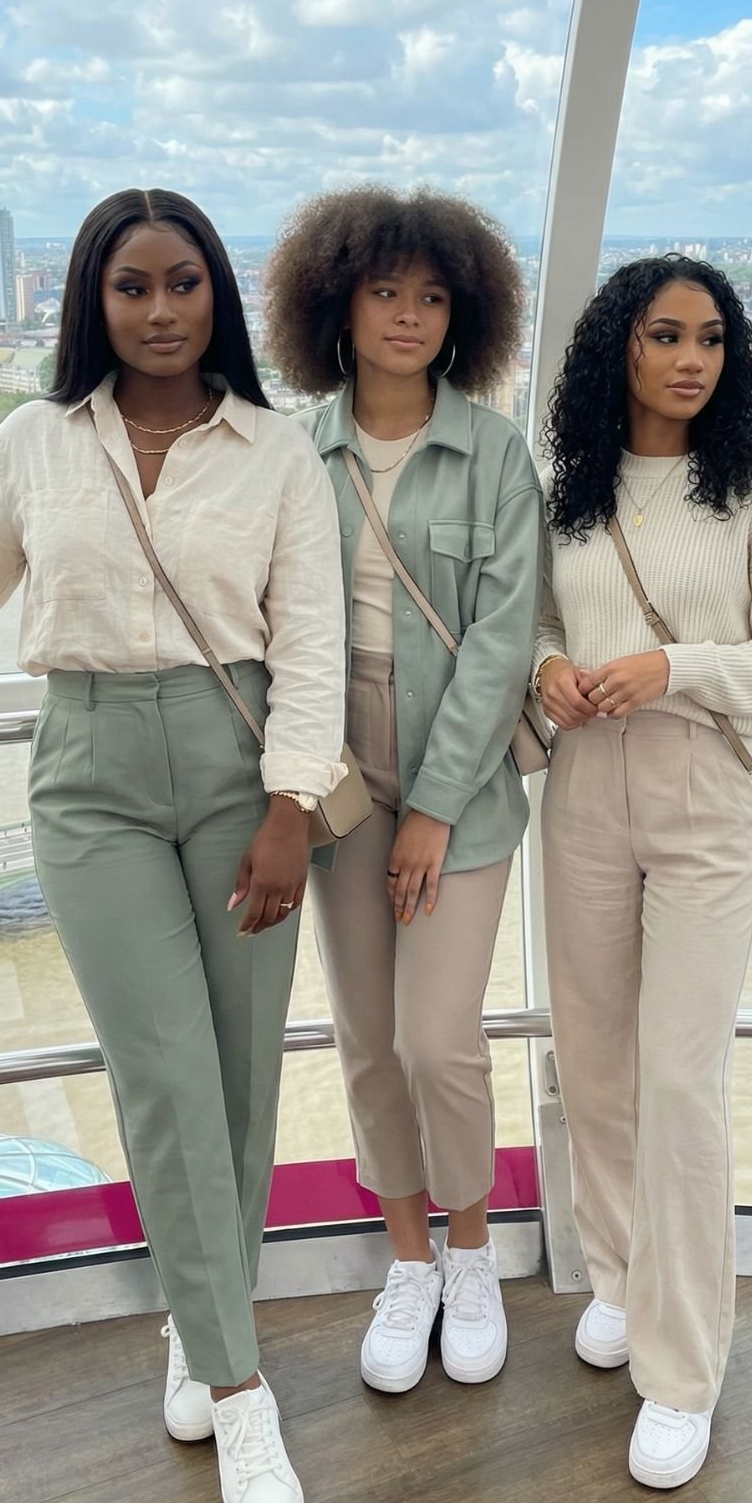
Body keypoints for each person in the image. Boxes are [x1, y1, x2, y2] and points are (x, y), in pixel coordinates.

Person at [0, 188, 346, 1503]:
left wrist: (294, 807)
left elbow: (310, 647)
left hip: (242, 772)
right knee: (166, 1072)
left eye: (183, 283)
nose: (162, 311)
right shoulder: (33, 444)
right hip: (91, 778)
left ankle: (196, 1320)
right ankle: (240, 1388)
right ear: (92, 300)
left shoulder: (274, 452)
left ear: (216, 297)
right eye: (133, 286)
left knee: (239, 1075)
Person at [534, 255, 752, 1489]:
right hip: (585, 791)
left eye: (712, 336)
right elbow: (535, 622)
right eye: (666, 334)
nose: (692, 357)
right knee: (596, 1065)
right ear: (623, 347)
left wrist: (675, 666)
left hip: (707, 791)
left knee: (682, 1080)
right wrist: (546, 669)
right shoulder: (565, 485)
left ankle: (684, 1364)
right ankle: (618, 1276)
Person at [265, 184, 543, 1395]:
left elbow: (499, 637)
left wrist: (432, 804)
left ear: (463, 311)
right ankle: (408, 1258)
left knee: (441, 1038)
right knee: (367, 1038)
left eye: (433, 295)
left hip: (459, 779)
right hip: (335, 775)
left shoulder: (491, 451)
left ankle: (474, 1250)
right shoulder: (290, 449)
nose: (410, 315)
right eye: (386, 291)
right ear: (337, 300)